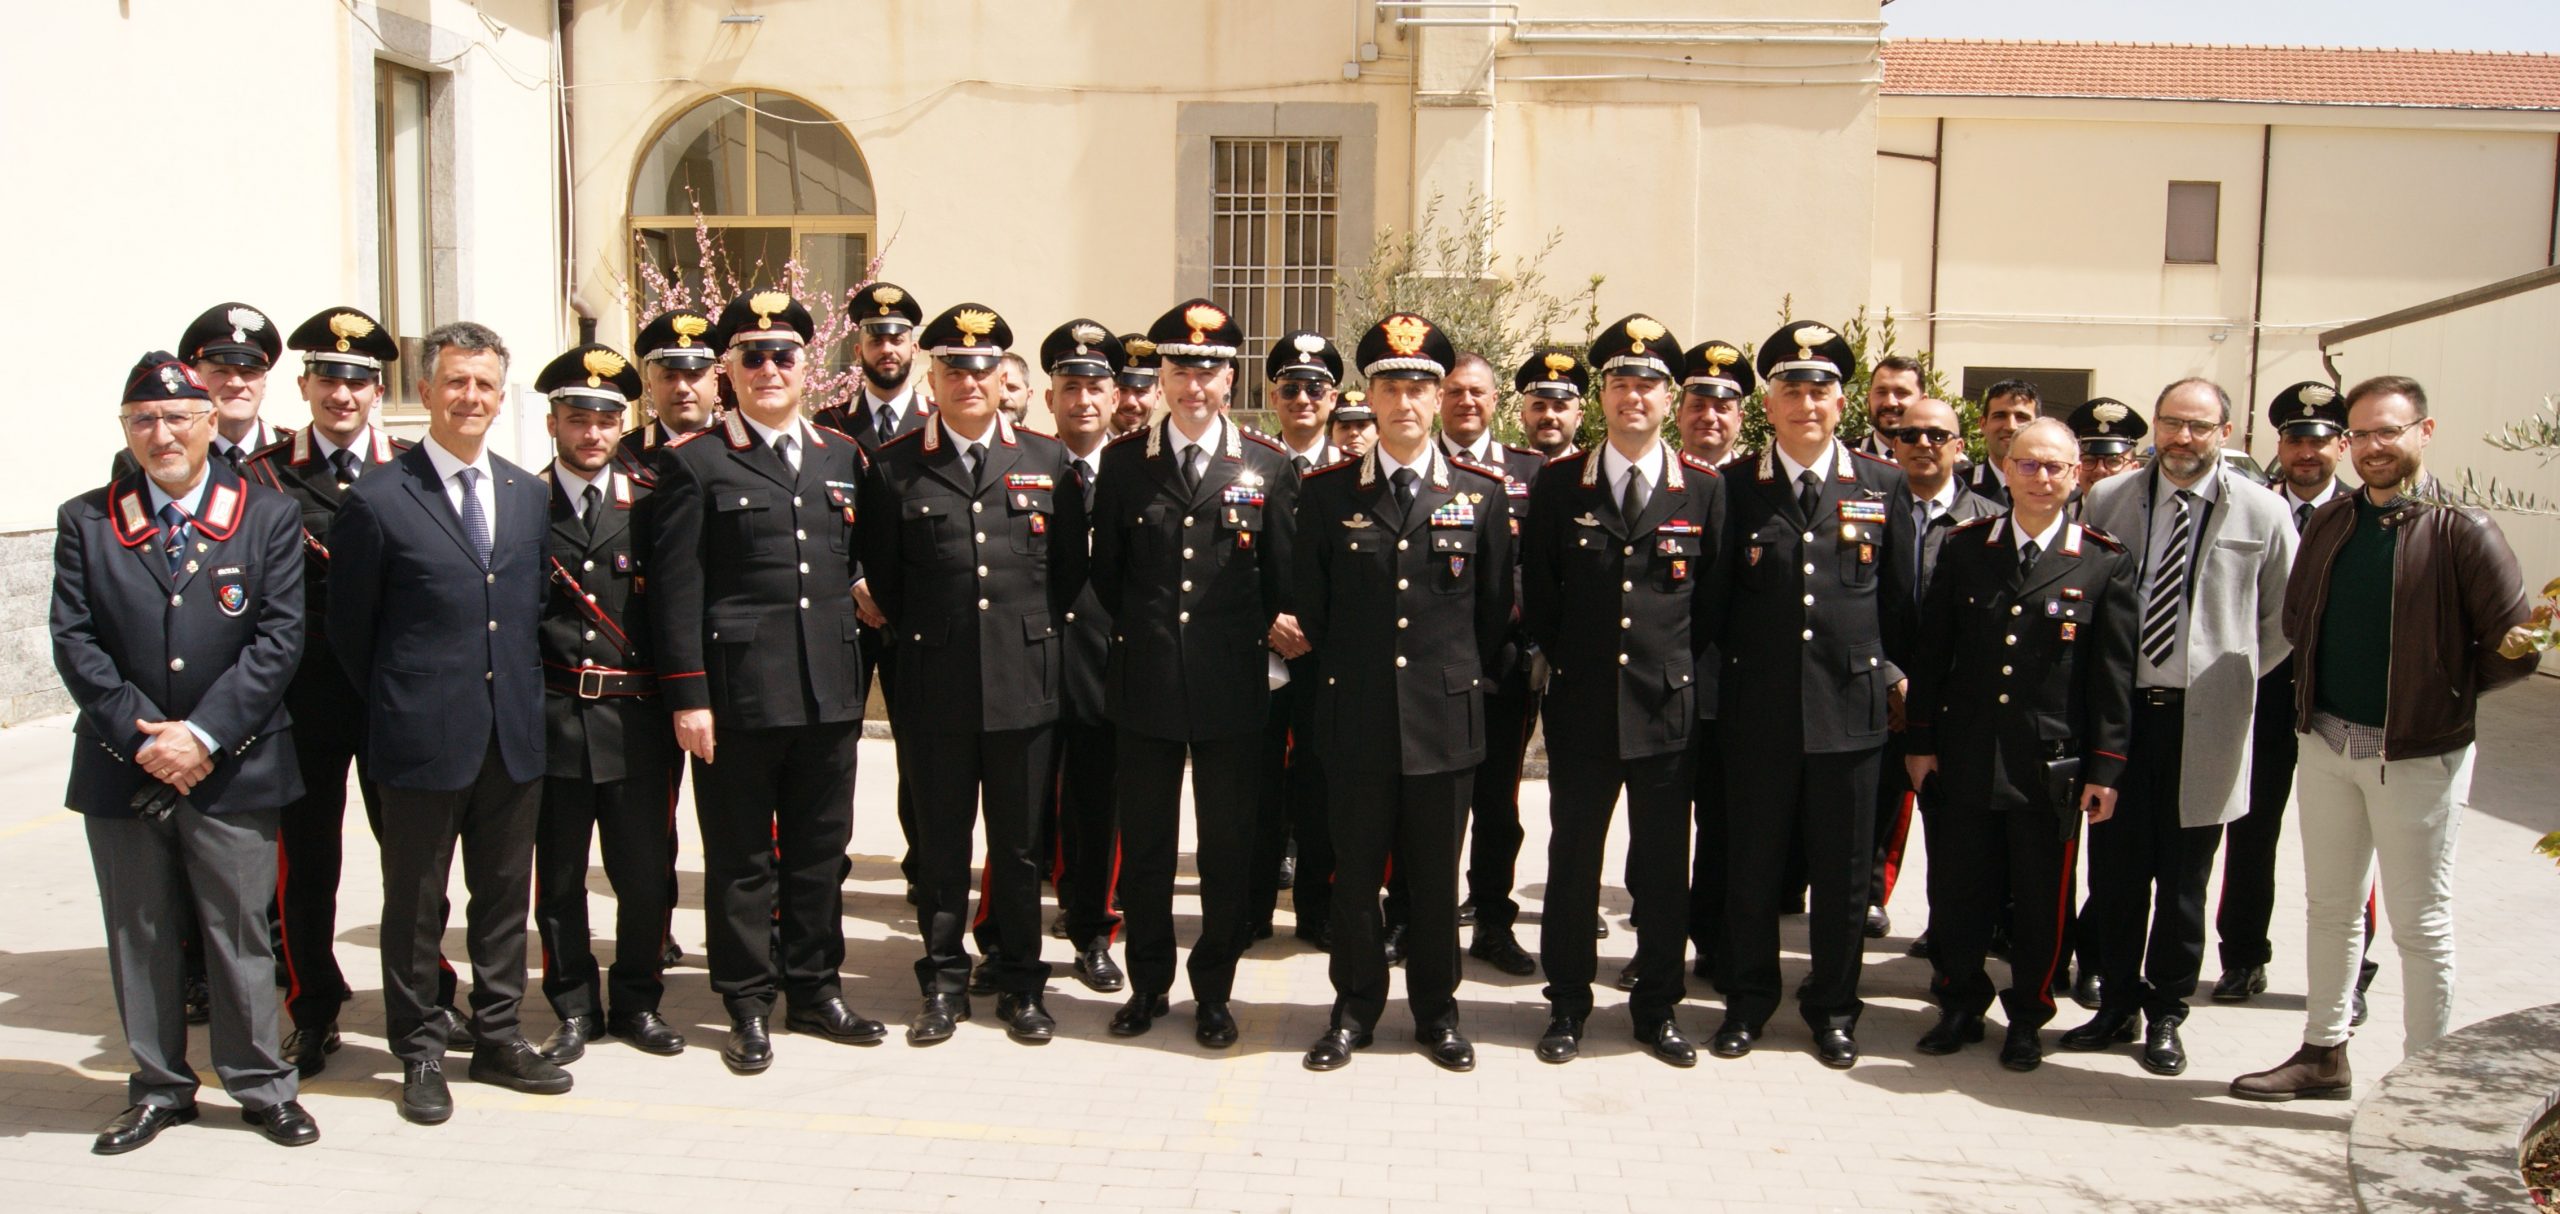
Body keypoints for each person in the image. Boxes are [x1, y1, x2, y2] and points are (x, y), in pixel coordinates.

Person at [2231, 375, 2541, 1102]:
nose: (2373, 446)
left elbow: (2515, 646)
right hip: (2330, 745)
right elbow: (2300, 616)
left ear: (2423, 433)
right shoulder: (2335, 521)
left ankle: (2423, 1087)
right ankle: (2323, 1053)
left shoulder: (2464, 530)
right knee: (2330, 908)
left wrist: (2441, 693)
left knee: (2420, 923)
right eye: (2361, 433)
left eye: (2388, 431)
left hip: (2417, 755)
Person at [55, 352, 315, 1153]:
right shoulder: (88, 519)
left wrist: (199, 736)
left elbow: (278, 639)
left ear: (210, 424)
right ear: (126, 431)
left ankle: (261, 1085)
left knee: (239, 933)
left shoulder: (265, 516)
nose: (161, 434)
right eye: (143, 420)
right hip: (122, 765)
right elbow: (76, 642)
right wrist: (148, 739)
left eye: (177, 418)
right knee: (140, 931)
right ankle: (160, 1087)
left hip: (232, 762)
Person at [329, 321, 569, 1124]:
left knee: (503, 899)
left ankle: (498, 1035)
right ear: (425, 392)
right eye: (456, 382)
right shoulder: (376, 499)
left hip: (512, 733)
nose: (471, 397)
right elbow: (350, 634)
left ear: (504, 399)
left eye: (486, 385)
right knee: (417, 902)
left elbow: (528, 609)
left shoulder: (526, 493)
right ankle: (421, 1050)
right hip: (420, 736)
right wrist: (411, 700)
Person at [649, 289, 886, 1074]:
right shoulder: (695, 462)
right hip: (740, 698)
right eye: (752, 356)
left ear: (806, 366)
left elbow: (864, 565)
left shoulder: (840, 456)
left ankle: (815, 989)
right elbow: (680, 589)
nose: (769, 369)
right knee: (743, 859)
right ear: (729, 370)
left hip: (829, 692)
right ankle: (747, 1001)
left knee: (822, 852)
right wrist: (689, 695)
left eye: (783, 354)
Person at [860, 304, 1088, 1045]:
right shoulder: (894, 466)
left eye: (982, 368)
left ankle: (1021, 981)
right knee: (943, 845)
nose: (968, 380)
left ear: (1004, 380)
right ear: (933, 378)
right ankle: (943, 983)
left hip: (1026, 683)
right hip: (934, 685)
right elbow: (887, 583)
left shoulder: (1048, 461)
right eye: (953, 368)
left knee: (1020, 848)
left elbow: (1069, 572)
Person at [1293, 311, 1512, 1073]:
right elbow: (1312, 610)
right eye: (1391, 386)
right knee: (1354, 878)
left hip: (1444, 722)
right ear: (1370, 396)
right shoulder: (1325, 496)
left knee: (1431, 883)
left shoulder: (1482, 497)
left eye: (1421, 387)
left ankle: (1437, 1014)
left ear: (1440, 395)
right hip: (1354, 718)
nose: (1406, 402)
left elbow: (1491, 617)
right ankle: (1352, 1010)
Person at [2062, 377, 2295, 1077]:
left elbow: (2281, 621)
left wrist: (2224, 669)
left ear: (2226, 431)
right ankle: (2115, 1006)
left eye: (2199, 425)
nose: (2183, 438)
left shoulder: (2263, 511)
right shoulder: (2109, 499)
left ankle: (2166, 1012)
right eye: (2171, 423)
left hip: (2207, 721)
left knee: (2186, 879)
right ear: (2154, 427)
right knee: (2118, 870)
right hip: (2122, 718)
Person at [246, 307, 456, 1077]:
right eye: (328, 377)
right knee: (306, 866)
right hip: (302, 702)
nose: (343, 392)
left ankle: (429, 992)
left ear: (379, 390)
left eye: (359, 379)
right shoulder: (262, 475)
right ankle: (313, 1006)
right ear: (303, 385)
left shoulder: (415, 465)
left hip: (396, 697)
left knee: (418, 859)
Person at [1087, 299, 1300, 1048]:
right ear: (1162, 377)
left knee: (1226, 850)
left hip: (1232, 690)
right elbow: (1107, 576)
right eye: (1180, 369)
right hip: (1143, 685)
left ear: (1230, 377)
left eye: (1209, 369)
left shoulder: (1268, 466)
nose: (1193, 384)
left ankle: (1214, 992)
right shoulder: (1122, 465)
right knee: (1145, 848)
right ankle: (1148, 985)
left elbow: (1282, 580)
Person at [1901, 418, 2139, 1072]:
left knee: (2040, 901)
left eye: (2055, 467)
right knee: (1959, 890)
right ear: (2004, 467)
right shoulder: (1965, 546)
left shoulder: (2103, 559)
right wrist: (1920, 741)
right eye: (2028, 464)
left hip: (2049, 766)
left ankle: (2029, 1014)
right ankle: (1958, 1001)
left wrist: (2106, 769)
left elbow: (2112, 676)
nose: (2040, 478)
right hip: (1967, 753)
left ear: (2075, 475)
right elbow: (1934, 652)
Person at [1519, 314, 1722, 1066]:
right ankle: (1567, 1003)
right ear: (1599, 395)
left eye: (1648, 383)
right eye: (1619, 382)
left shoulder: (1702, 488)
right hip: (1580, 706)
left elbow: (1714, 604)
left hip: (1666, 708)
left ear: (1669, 397)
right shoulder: (1557, 483)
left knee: (1665, 866)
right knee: (1573, 861)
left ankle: (1657, 1008)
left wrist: (1670, 669)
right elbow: (1539, 591)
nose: (1633, 395)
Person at [1708, 320, 1903, 1070]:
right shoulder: (1734, 488)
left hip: (1850, 718)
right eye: (1791, 388)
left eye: (1820, 389)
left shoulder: (1881, 485)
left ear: (1842, 401)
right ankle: (1749, 1002)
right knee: (1751, 870)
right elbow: (1715, 610)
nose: (1806, 402)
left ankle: (1833, 1009)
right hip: (1759, 715)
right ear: (1770, 401)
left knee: (1844, 880)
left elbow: (1901, 603)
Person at [526, 345, 685, 1064]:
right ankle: (571, 1006)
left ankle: (638, 1001)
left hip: (637, 720)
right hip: (553, 718)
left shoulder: (652, 501)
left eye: (606, 419)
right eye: (577, 418)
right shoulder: (523, 504)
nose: (592, 433)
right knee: (558, 878)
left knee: (644, 873)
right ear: (554, 422)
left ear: (623, 422)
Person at [2215, 381, 2367, 1008]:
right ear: (2280, 444)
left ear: (2342, 446)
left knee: (2357, 838)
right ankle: (2243, 956)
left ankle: (2354, 971)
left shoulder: (2371, 513)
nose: (2307, 452)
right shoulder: (2251, 507)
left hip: (2343, 700)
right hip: (2268, 694)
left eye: (2321, 440)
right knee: (2251, 831)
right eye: (2295, 439)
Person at [1871, 397, 2002, 942]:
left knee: (1954, 834)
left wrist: (1930, 691)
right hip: (1877, 694)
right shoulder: (1865, 509)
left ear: (1960, 446)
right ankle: (1863, 911)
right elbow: (1849, 604)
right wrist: (1892, 678)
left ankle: (1948, 935)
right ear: (1893, 445)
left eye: (1937, 435)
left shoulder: (1991, 522)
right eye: (1910, 434)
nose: (1923, 443)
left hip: (1955, 706)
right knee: (1866, 827)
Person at [1436, 351, 1549, 976]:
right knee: (1427, 801)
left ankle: (1492, 920)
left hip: (1502, 667)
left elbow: (1540, 566)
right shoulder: (1416, 465)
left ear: (1497, 398)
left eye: (1477, 392)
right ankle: (1415, 916)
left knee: (1497, 807)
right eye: (1454, 392)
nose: (1466, 402)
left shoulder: (1531, 471)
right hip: (1432, 667)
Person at [818, 282, 931, 898]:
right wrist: (856, 578)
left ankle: (923, 865)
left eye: (896, 336)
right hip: (847, 612)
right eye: (873, 335)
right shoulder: (829, 426)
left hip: (914, 615)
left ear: (914, 344)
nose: (886, 347)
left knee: (920, 746)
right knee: (835, 747)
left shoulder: (939, 423)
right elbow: (818, 524)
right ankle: (825, 865)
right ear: (857, 344)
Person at [1035, 320, 1127, 989]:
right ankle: (1005, 940)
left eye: (1096, 385)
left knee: (1098, 814)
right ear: (1050, 398)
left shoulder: (1135, 471)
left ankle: (1095, 933)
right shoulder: (1024, 464)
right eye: (1071, 386)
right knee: (1017, 819)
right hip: (1028, 666)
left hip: (1106, 669)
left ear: (1117, 395)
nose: (1084, 399)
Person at [1256, 331, 1346, 947]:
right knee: (1255, 787)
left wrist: (1314, 629)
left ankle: (1318, 911)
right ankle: (1251, 909)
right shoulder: (1252, 464)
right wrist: (1268, 621)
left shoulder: (1352, 475)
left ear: (1335, 397)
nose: (1303, 398)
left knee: (1322, 788)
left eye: (1315, 388)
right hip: (1256, 650)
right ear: (1274, 395)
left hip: (1329, 657)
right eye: (1290, 388)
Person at [1669, 339, 1748, 986]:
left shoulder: (1752, 484)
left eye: (1723, 405)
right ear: (1679, 411)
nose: (1710, 417)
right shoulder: (1658, 474)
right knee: (1657, 827)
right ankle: (1656, 939)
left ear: (1742, 417)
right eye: (1698, 403)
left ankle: (1717, 946)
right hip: (1659, 685)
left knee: (1723, 827)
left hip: (1731, 685)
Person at [178, 303, 294, 468]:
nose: (236, 384)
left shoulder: (298, 460)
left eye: (248, 373)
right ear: (196, 379)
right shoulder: (176, 456)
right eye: (221, 371)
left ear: (264, 383)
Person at [615, 308, 723, 483]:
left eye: (693, 375)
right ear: (650, 387)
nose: (681, 387)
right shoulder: (624, 459)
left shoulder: (745, 453)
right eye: (669, 377)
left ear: (715, 384)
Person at [1965, 380, 2041, 506]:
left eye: (2021, 417)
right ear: (1983, 424)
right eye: (2000, 416)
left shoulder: (2058, 492)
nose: (2011, 426)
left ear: (2038, 426)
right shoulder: (1959, 488)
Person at [1518, 348, 1587, 460]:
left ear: (1578, 418)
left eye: (1559, 407)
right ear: (1523, 417)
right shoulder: (1505, 474)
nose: (1549, 415)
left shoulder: (1593, 472)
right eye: (1539, 407)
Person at [2071, 398, 2145, 500]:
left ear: (2134, 470)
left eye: (2113, 461)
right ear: (2076, 468)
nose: (2100, 469)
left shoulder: (2149, 514)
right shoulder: (2058, 512)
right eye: (2089, 460)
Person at [1855, 354, 1924, 461]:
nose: (1890, 403)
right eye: (1881, 392)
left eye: (1901, 393)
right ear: (1869, 399)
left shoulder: (1939, 463)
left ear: (1923, 401)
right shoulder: (1844, 460)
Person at [1110, 333, 1161, 436]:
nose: (1130, 402)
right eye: (1122, 390)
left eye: (1141, 391)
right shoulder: (1086, 450)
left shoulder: (1166, 451)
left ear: (1157, 397)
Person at [1328, 393, 1375, 460]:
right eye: (1344, 427)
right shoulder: (1315, 469)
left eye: (1362, 425)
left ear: (1379, 431)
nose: (1354, 432)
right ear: (1330, 435)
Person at [995, 349, 1034, 426]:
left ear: (1029, 396)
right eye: (996, 388)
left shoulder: (1037, 438)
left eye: (1012, 388)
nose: (1003, 396)